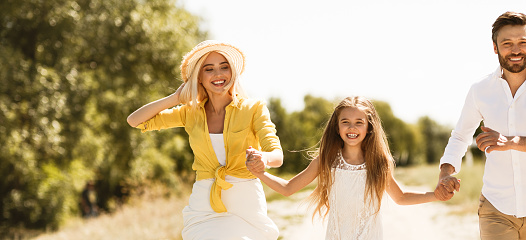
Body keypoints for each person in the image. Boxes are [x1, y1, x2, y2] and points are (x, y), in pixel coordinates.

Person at [435, 11, 526, 240]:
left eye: (522, 43)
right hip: (495, 208)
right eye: (507, 44)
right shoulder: (480, 90)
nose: (516, 50)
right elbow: (460, 136)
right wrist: (445, 173)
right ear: (495, 47)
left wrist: (511, 141)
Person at [127, 40, 283, 240]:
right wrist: (176, 98)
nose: (218, 74)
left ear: (232, 72)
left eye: (224, 67)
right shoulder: (189, 113)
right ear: (199, 77)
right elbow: (135, 121)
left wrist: (263, 158)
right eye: (209, 69)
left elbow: (277, 156)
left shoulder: (254, 109)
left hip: (245, 202)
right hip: (204, 204)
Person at [245, 96, 438, 240]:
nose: (352, 128)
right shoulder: (326, 160)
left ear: (369, 127)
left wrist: (436, 195)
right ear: (337, 128)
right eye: (345, 122)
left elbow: (401, 197)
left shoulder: (379, 162)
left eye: (359, 123)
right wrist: (260, 172)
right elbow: (288, 189)